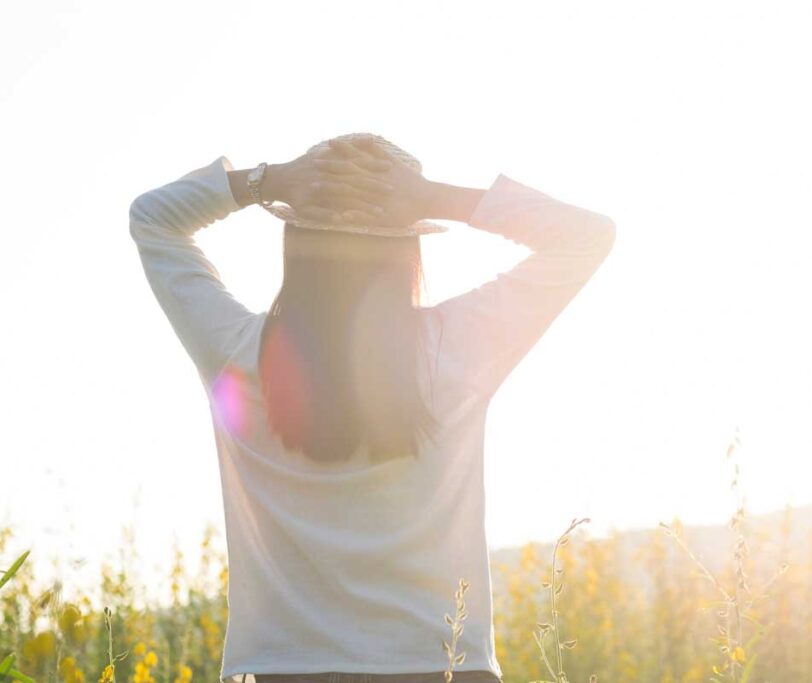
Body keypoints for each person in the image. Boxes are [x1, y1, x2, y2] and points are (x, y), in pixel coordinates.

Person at [129, 133, 616, 683]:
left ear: (293, 239)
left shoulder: (238, 356)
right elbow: (587, 236)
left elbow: (152, 219)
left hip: (286, 670)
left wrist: (273, 180)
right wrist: (432, 197)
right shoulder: (454, 350)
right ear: (408, 248)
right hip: (443, 666)